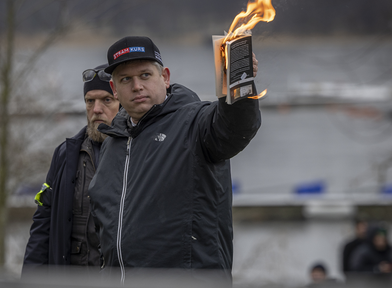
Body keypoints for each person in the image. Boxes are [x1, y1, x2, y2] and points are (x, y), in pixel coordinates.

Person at [88, 36, 261, 282]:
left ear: (165, 78)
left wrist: (239, 84)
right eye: (126, 79)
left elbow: (235, 127)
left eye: (145, 75)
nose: (136, 86)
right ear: (115, 90)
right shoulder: (113, 142)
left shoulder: (196, 123)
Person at [22, 64, 120, 272]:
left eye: (107, 100)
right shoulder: (65, 154)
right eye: (89, 101)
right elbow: (43, 224)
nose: (96, 109)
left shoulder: (137, 150)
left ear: (122, 102)